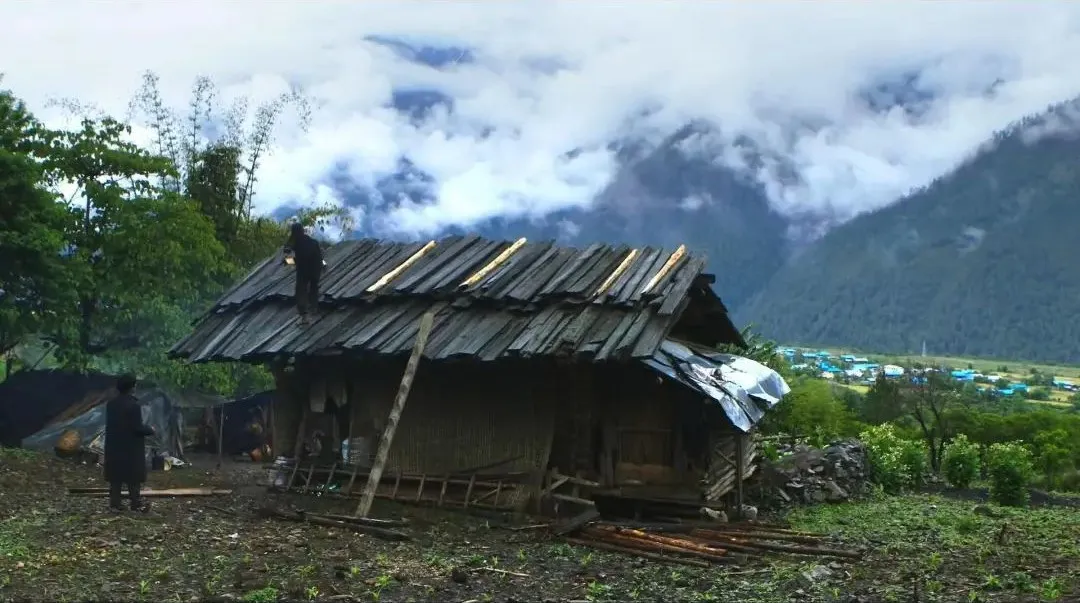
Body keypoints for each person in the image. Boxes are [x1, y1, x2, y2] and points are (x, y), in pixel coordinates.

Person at [104, 374, 154, 513]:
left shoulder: (111, 404)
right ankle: (136, 503)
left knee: (116, 477)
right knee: (133, 477)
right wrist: (150, 430)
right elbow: (137, 428)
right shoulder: (134, 405)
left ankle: (115, 504)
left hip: (114, 445)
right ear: (132, 387)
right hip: (131, 447)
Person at [283, 222, 323, 325]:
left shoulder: (298, 242)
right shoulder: (312, 242)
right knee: (314, 288)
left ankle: (304, 316)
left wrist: (287, 261)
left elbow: (292, 254)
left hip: (304, 270)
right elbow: (319, 257)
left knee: (301, 291)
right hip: (315, 268)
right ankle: (314, 309)